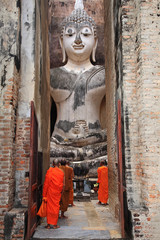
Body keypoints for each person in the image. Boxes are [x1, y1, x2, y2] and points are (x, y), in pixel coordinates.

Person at [50, 0, 106, 175]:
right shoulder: (52, 75)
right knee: (51, 154)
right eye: (70, 34)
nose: (78, 40)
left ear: (95, 41)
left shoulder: (104, 74)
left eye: (86, 34)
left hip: (96, 146)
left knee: (105, 155)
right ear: (61, 41)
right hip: (60, 145)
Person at [42, 159, 64, 229]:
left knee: (49, 208)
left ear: (53, 164)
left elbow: (46, 184)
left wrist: (44, 195)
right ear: (59, 164)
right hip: (57, 192)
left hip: (50, 192)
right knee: (56, 208)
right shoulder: (61, 172)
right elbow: (61, 184)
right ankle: (54, 224)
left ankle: (48, 224)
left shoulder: (50, 171)